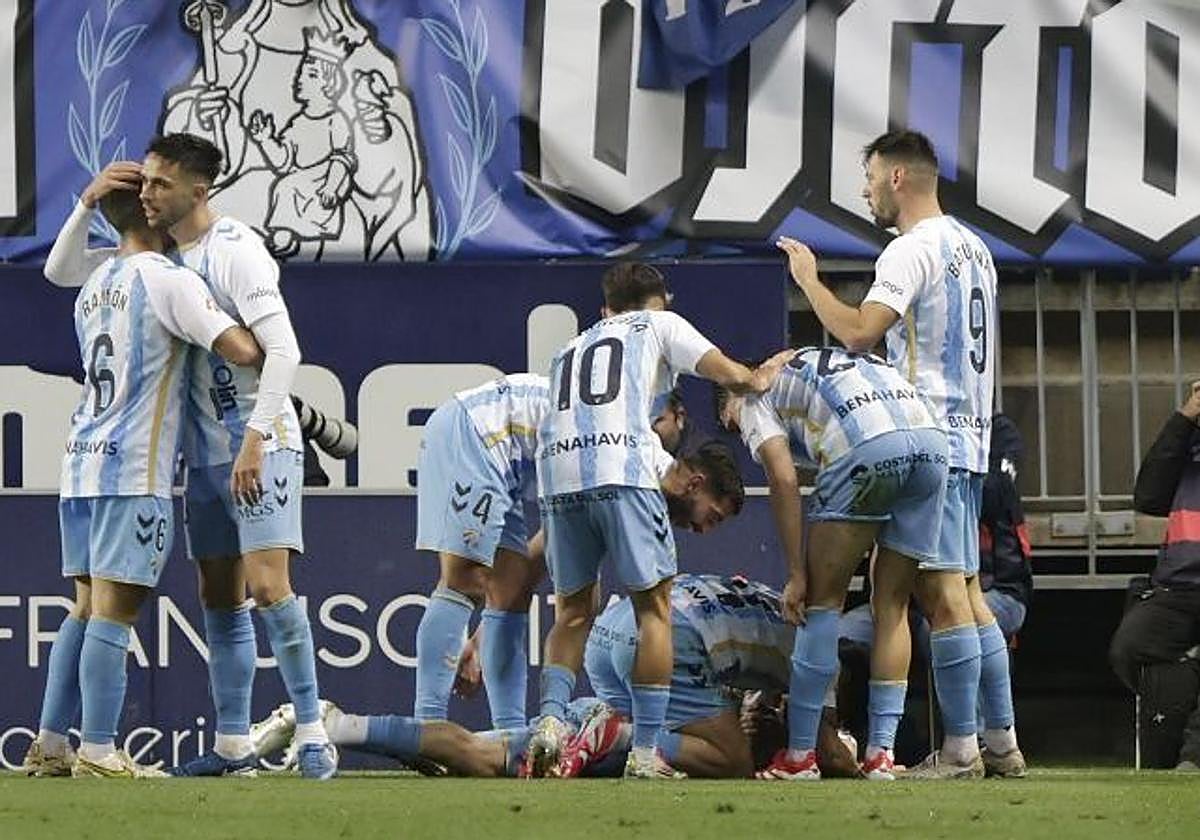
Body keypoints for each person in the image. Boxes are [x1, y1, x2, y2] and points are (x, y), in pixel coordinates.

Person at [778, 128, 1017, 778]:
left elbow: (859, 331)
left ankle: (964, 749)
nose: (865, 192)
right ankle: (1002, 741)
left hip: (927, 431)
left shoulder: (912, 250)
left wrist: (810, 281)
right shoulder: (976, 248)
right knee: (967, 591)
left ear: (898, 180)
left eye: (869, 178)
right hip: (972, 435)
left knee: (941, 596)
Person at [21, 183, 263, 778]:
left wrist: (82, 201)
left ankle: (50, 744)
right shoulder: (170, 280)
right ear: (155, 214)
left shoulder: (98, 282)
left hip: (80, 462)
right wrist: (258, 322)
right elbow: (241, 350)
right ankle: (100, 751)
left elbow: (58, 267)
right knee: (113, 613)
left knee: (83, 609)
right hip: (133, 468)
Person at [527, 262, 782, 778]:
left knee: (572, 613)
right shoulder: (658, 325)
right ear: (658, 299)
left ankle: (550, 723)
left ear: (606, 306)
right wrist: (756, 377)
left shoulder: (569, 347)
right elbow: (723, 371)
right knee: (654, 613)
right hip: (619, 466)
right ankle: (644, 751)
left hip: (556, 471)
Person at [139, 133, 336, 779]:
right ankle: (233, 747)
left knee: (270, 587)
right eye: (144, 182)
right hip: (205, 456)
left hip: (261, 445)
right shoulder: (168, 262)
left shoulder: (235, 251)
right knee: (218, 598)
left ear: (198, 191)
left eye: (158, 183)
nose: (147, 193)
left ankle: (312, 734)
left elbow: (285, 352)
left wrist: (254, 439)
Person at [248, 574, 858, 779]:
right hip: (662, 648)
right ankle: (617, 733)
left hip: (620, 630)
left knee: (481, 753)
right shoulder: (815, 665)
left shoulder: (781, 616)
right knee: (733, 765)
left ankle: (331, 724)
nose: (762, 712)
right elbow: (825, 751)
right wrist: (860, 763)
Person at [718, 346, 956, 781]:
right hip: (932, 442)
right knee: (893, 605)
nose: (744, 439)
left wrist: (795, 572)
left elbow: (784, 477)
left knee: (819, 605)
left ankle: (800, 757)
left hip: (865, 443)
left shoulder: (749, 399)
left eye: (734, 430)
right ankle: (881, 755)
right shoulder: (800, 360)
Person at [1110, 383, 1200, 771]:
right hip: (1179, 586)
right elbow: (1148, 497)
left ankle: (1193, 756)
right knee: (1128, 648)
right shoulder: (1188, 447)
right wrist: (1184, 418)